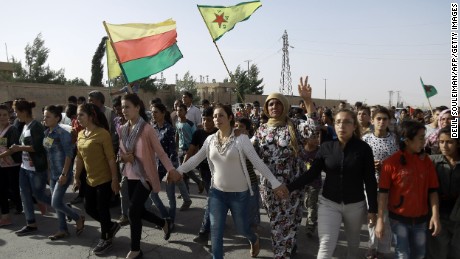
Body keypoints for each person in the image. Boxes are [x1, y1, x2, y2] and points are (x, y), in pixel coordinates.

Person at [168, 104, 288, 259]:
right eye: (215, 116)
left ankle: (253, 238)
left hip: (239, 194)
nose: (217, 119)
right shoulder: (210, 140)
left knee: (242, 228)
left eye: (221, 115)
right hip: (217, 193)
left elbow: (258, 162)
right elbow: (196, 159)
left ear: (230, 118)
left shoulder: (241, 139)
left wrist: (275, 183)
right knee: (216, 233)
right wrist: (178, 171)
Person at [288, 107, 377, 259]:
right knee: (326, 245)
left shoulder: (363, 149)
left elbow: (370, 180)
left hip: (355, 205)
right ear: (334, 125)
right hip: (329, 203)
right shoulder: (326, 147)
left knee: (354, 244)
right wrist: (289, 187)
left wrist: (372, 210)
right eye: (338, 122)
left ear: (354, 125)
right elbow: (312, 173)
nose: (342, 126)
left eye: (347, 122)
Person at [253, 77, 321, 258]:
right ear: (266, 109)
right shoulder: (260, 130)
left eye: (277, 104)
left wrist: (307, 101)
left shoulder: (295, 126)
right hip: (270, 188)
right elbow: (252, 154)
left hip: (291, 188)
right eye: (270, 104)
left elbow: (314, 130)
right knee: (279, 224)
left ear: (284, 106)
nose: (274, 107)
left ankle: (283, 253)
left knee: (286, 225)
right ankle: (285, 250)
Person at [118, 94, 176, 259]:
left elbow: (161, 153)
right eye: (123, 107)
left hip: (146, 176)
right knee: (138, 211)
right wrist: (124, 158)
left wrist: (171, 170)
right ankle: (163, 222)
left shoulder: (147, 129)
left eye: (127, 106)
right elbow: (120, 154)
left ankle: (135, 249)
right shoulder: (122, 129)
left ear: (137, 107)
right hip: (130, 175)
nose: (124, 110)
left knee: (132, 211)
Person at [376, 120, 441, 259]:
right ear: (406, 140)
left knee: (419, 254)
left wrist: (435, 216)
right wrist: (380, 220)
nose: (425, 140)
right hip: (399, 221)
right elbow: (383, 194)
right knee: (402, 254)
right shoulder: (390, 163)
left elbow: (433, 190)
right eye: (421, 137)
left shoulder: (426, 161)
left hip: (421, 220)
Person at [73, 103, 121, 255]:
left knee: (102, 209)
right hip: (89, 179)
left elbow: (111, 159)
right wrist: (76, 177)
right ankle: (110, 226)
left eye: (81, 115)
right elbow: (79, 158)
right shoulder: (81, 134)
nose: (78, 118)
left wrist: (114, 179)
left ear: (91, 116)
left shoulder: (102, 134)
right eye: (77, 115)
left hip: (105, 179)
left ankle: (106, 238)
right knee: (88, 208)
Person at [2, 100, 52, 236]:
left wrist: (19, 148)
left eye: (16, 112)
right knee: (24, 195)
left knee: (38, 194)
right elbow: (17, 147)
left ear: (23, 112)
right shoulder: (25, 126)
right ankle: (31, 224)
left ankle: (63, 207)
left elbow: (39, 147)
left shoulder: (36, 126)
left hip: (35, 168)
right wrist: (7, 153)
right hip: (24, 167)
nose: (15, 114)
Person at [42, 105, 85, 240]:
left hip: (63, 174)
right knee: (57, 203)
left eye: (48, 116)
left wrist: (64, 174)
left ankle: (78, 218)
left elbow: (69, 155)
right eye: (44, 116)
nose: (45, 119)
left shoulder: (63, 134)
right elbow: (48, 155)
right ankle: (62, 229)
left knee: (55, 203)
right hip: (53, 174)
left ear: (57, 118)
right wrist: (48, 173)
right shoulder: (47, 133)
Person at [362, 106, 398, 259]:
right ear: (372, 120)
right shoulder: (366, 139)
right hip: (370, 185)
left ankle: (383, 250)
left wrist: (386, 167)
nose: (382, 122)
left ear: (389, 121)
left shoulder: (395, 140)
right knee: (372, 218)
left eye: (385, 119)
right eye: (378, 118)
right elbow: (359, 162)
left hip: (389, 186)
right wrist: (371, 165)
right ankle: (371, 247)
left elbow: (400, 163)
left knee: (385, 219)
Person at [426, 127, 460, 259]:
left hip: (457, 215)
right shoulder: (431, 161)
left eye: (449, 142)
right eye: (441, 142)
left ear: (458, 143)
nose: (444, 145)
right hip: (438, 214)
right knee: (438, 252)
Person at [187, 107, 218, 245]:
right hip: (205, 172)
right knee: (213, 200)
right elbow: (191, 150)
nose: (206, 122)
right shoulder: (198, 133)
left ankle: (204, 233)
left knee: (212, 200)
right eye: (204, 119)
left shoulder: (219, 133)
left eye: (209, 119)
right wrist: (183, 167)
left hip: (220, 172)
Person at [147, 102, 181, 229]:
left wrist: (170, 171)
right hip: (155, 167)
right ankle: (165, 217)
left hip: (168, 168)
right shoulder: (152, 128)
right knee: (153, 194)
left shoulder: (169, 129)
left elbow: (173, 151)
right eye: (152, 112)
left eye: (156, 112)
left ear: (163, 113)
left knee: (170, 197)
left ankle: (171, 221)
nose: (153, 114)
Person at [0, 104, 22, 226]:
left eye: (4, 115)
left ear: (9, 116)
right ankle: (5, 215)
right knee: (2, 190)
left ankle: (19, 205)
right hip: (1, 165)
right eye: (0, 115)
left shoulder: (12, 129)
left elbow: (13, 149)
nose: (2, 117)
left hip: (12, 165)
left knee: (13, 188)